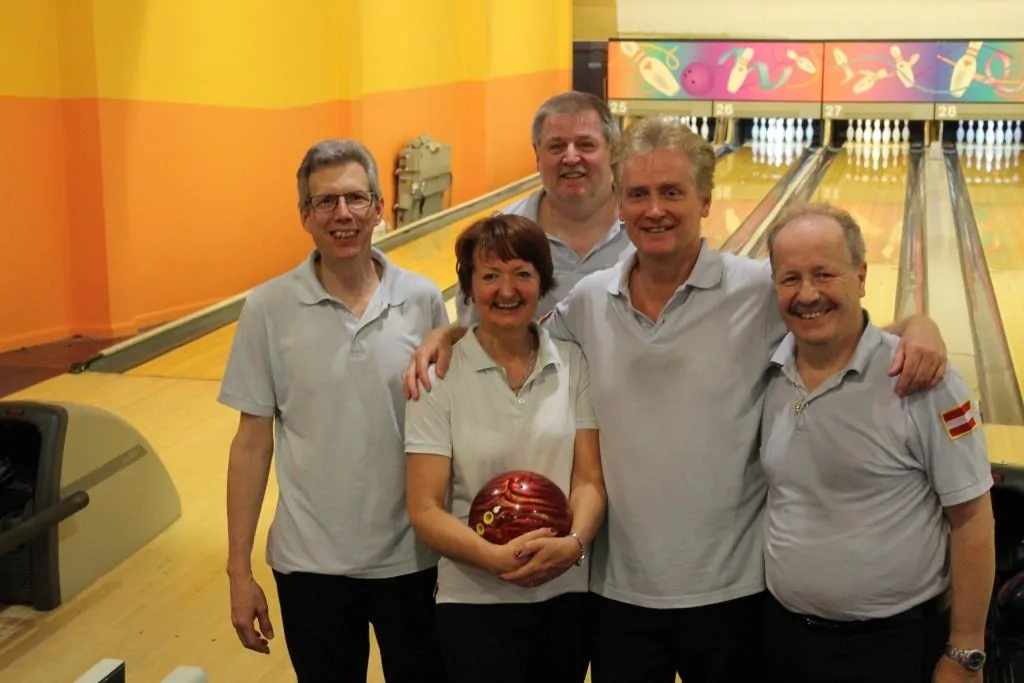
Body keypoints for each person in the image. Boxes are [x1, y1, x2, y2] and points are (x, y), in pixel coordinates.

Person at [404, 116, 950, 683]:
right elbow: (514, 330)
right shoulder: (590, 301)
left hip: (736, 592)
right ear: (619, 204)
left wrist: (919, 326)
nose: (654, 209)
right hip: (617, 594)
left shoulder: (759, 292)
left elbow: (841, 329)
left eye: (672, 192)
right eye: (638, 194)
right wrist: (449, 334)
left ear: (706, 200)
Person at [219, 139, 448, 682]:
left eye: (355, 198)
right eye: (325, 201)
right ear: (305, 215)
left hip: (414, 559)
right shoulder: (267, 308)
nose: (342, 214)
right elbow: (251, 446)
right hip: (309, 566)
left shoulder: (422, 299)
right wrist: (238, 571)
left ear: (379, 208)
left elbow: (448, 430)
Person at [758, 202, 995, 683]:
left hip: (892, 647)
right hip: (782, 639)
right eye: (790, 278)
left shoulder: (921, 379)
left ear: (861, 276)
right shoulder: (770, 373)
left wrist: (966, 650)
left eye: (824, 274)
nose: (807, 294)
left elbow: (972, 519)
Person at [405, 214, 606, 683]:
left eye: (522, 273)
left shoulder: (573, 363)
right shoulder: (438, 376)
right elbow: (425, 508)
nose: (507, 290)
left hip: (565, 594)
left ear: (543, 282)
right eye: (490, 275)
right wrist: (493, 558)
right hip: (473, 599)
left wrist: (573, 544)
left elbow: (588, 480)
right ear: (469, 287)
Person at [455, 90, 633, 326]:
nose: (571, 158)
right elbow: (472, 333)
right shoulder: (497, 237)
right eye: (556, 147)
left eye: (586, 145)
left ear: (612, 152)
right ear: (537, 155)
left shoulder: (648, 228)